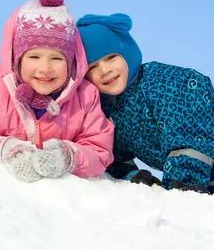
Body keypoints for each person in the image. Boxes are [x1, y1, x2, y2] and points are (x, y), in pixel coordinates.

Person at [0, 0, 113, 183]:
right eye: (34, 56)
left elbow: (98, 148)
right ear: (17, 59)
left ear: (71, 62)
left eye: (57, 58)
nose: (45, 68)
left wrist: (67, 156)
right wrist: (8, 149)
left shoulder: (84, 96)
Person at [77, 13, 214, 193]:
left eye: (111, 57)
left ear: (127, 51)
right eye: (92, 67)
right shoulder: (105, 107)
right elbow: (110, 154)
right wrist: (133, 177)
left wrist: (182, 188)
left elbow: (190, 140)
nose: (104, 70)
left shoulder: (169, 83)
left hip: (198, 173)